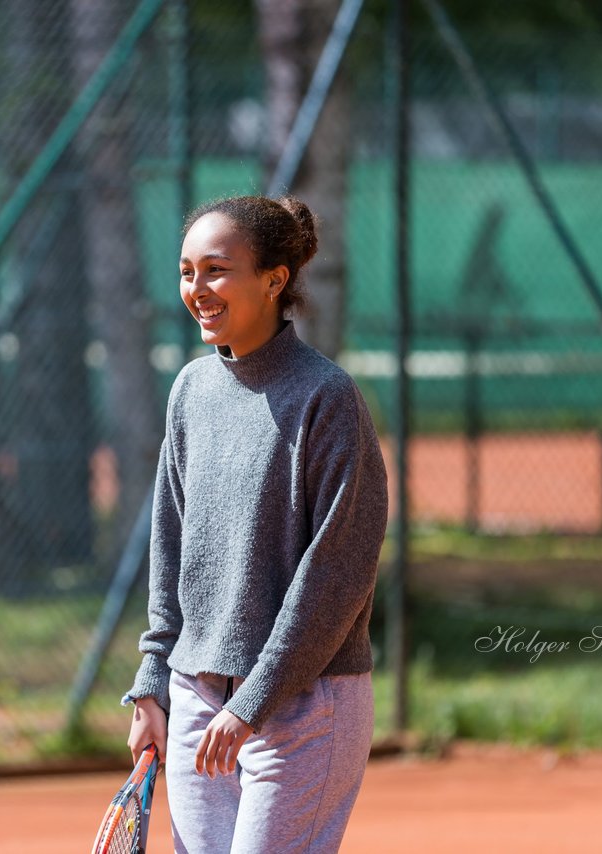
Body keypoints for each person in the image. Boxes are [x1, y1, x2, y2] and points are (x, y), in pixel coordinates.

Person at [124, 194, 389, 853]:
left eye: (216, 270)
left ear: (274, 280)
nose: (197, 289)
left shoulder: (326, 398)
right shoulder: (190, 390)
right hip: (195, 700)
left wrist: (255, 700)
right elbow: (172, 545)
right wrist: (154, 683)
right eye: (187, 271)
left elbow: (337, 573)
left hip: (306, 702)